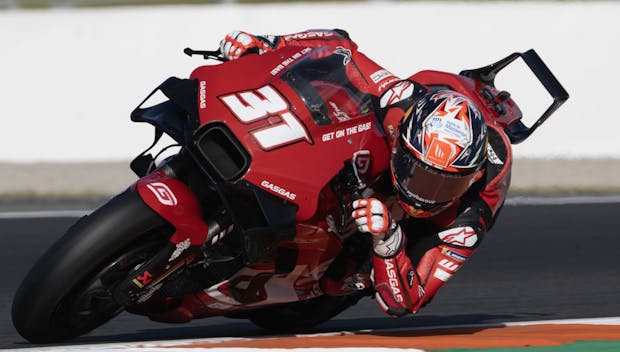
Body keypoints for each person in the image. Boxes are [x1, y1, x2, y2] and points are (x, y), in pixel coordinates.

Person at [218, 29, 512, 317]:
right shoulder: (400, 100)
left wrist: (388, 242)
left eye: (443, 185)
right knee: (337, 105)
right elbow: (341, 47)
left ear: (471, 179)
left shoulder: (468, 221)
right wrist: (271, 43)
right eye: (420, 176)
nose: (424, 195)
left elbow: (405, 302)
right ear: (404, 145)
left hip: (425, 219)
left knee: (347, 278)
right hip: (421, 116)